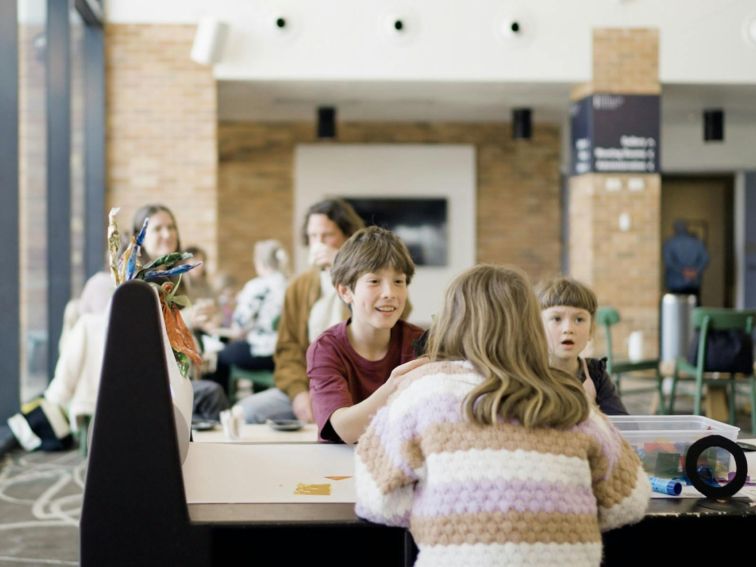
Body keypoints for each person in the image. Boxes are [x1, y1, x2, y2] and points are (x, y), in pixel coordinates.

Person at [354, 265, 650, 566]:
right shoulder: (572, 400)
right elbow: (631, 502)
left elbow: (374, 498)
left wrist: (439, 505)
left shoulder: (422, 392)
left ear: (451, 321)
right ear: (533, 325)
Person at [45, 204, 229, 425]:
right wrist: (186, 320)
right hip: (133, 381)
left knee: (208, 393)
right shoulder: (119, 283)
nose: (167, 234)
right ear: (138, 237)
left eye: (171, 227)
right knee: (212, 395)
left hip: (163, 376)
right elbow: (127, 338)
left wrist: (201, 324)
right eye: (158, 229)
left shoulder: (176, 281)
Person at [235, 198, 365, 424]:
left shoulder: (367, 278)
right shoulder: (300, 285)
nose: (319, 243)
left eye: (327, 236)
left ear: (348, 236)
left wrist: (345, 266)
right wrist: (298, 394)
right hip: (311, 388)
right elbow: (288, 349)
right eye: (313, 236)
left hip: (356, 390)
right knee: (245, 412)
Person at [307, 226, 426, 443]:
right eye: (374, 281)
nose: (390, 293)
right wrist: (393, 386)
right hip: (335, 469)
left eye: (398, 281)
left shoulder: (420, 343)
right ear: (345, 291)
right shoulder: (325, 348)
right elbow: (344, 430)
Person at [536, 276, 628, 416]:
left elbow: (623, 427)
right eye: (556, 319)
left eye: (579, 319)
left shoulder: (595, 374)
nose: (568, 328)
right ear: (537, 328)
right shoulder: (527, 374)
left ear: (591, 330)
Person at [206, 239, 289, 394]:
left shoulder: (257, 286)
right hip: (286, 352)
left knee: (221, 356)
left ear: (260, 262)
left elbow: (239, 325)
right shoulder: (291, 284)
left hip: (262, 352)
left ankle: (220, 410)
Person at [662, 219, 709, 306]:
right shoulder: (697, 242)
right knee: (694, 310)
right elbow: (705, 259)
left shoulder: (670, 243)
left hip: (675, 284)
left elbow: (669, 262)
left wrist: (683, 271)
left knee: (676, 311)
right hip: (694, 283)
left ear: (674, 229)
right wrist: (695, 271)